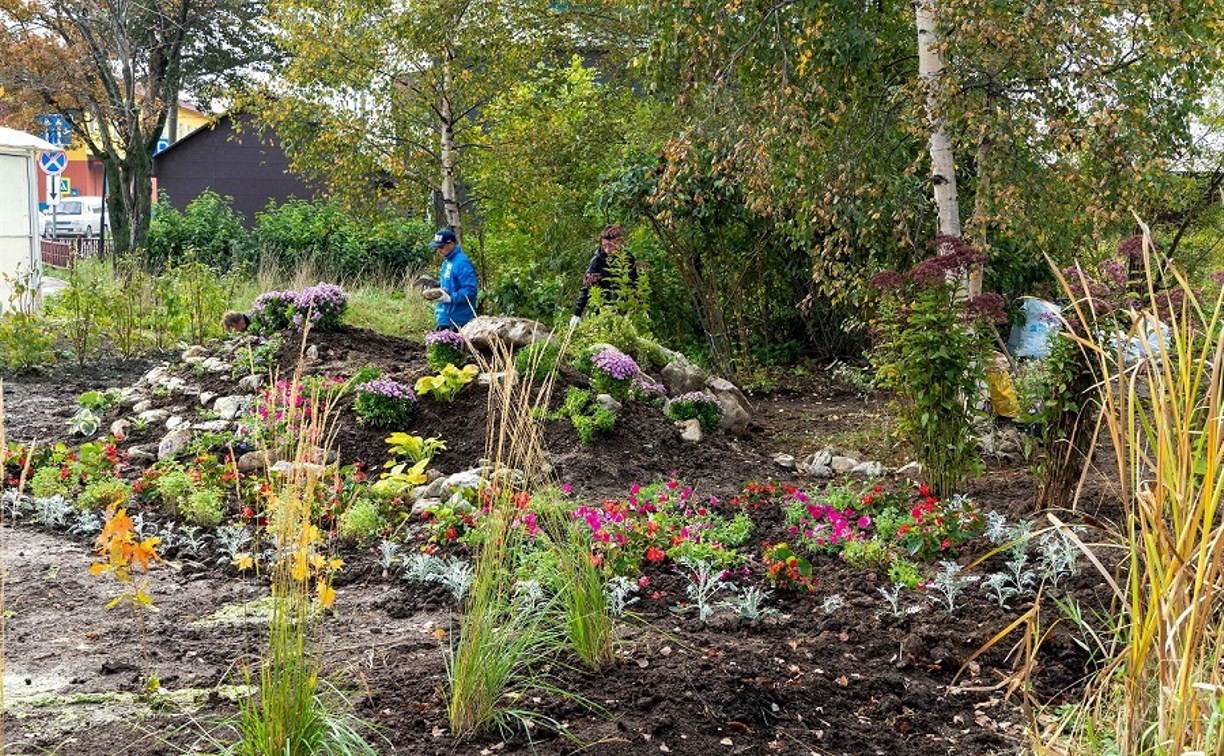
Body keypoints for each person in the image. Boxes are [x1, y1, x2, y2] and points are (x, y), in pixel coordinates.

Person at [570, 225, 635, 327]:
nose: (607, 250)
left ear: (619, 243)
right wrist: (577, 313)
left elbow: (635, 282)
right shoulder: (596, 261)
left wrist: (639, 304)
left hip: (625, 308)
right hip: (604, 309)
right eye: (604, 246)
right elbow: (586, 287)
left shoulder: (628, 258)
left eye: (611, 246)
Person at [421, 228, 478, 330]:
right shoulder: (447, 261)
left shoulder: (462, 263)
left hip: (458, 320)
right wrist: (436, 285)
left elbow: (470, 290)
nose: (439, 250)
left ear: (451, 244)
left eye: (441, 247)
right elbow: (451, 285)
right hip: (445, 317)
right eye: (437, 247)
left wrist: (451, 298)